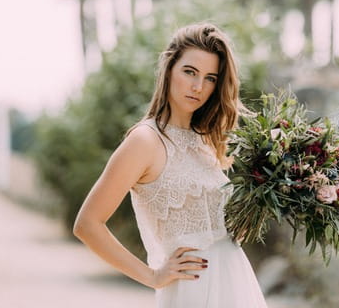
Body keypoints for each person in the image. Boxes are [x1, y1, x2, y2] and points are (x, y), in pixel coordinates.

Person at [73, 23, 268, 307]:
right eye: (190, 72)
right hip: (191, 292)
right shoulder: (145, 140)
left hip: (234, 281)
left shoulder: (206, 142)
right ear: (169, 69)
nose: (198, 87)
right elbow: (87, 224)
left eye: (210, 78)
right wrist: (152, 276)